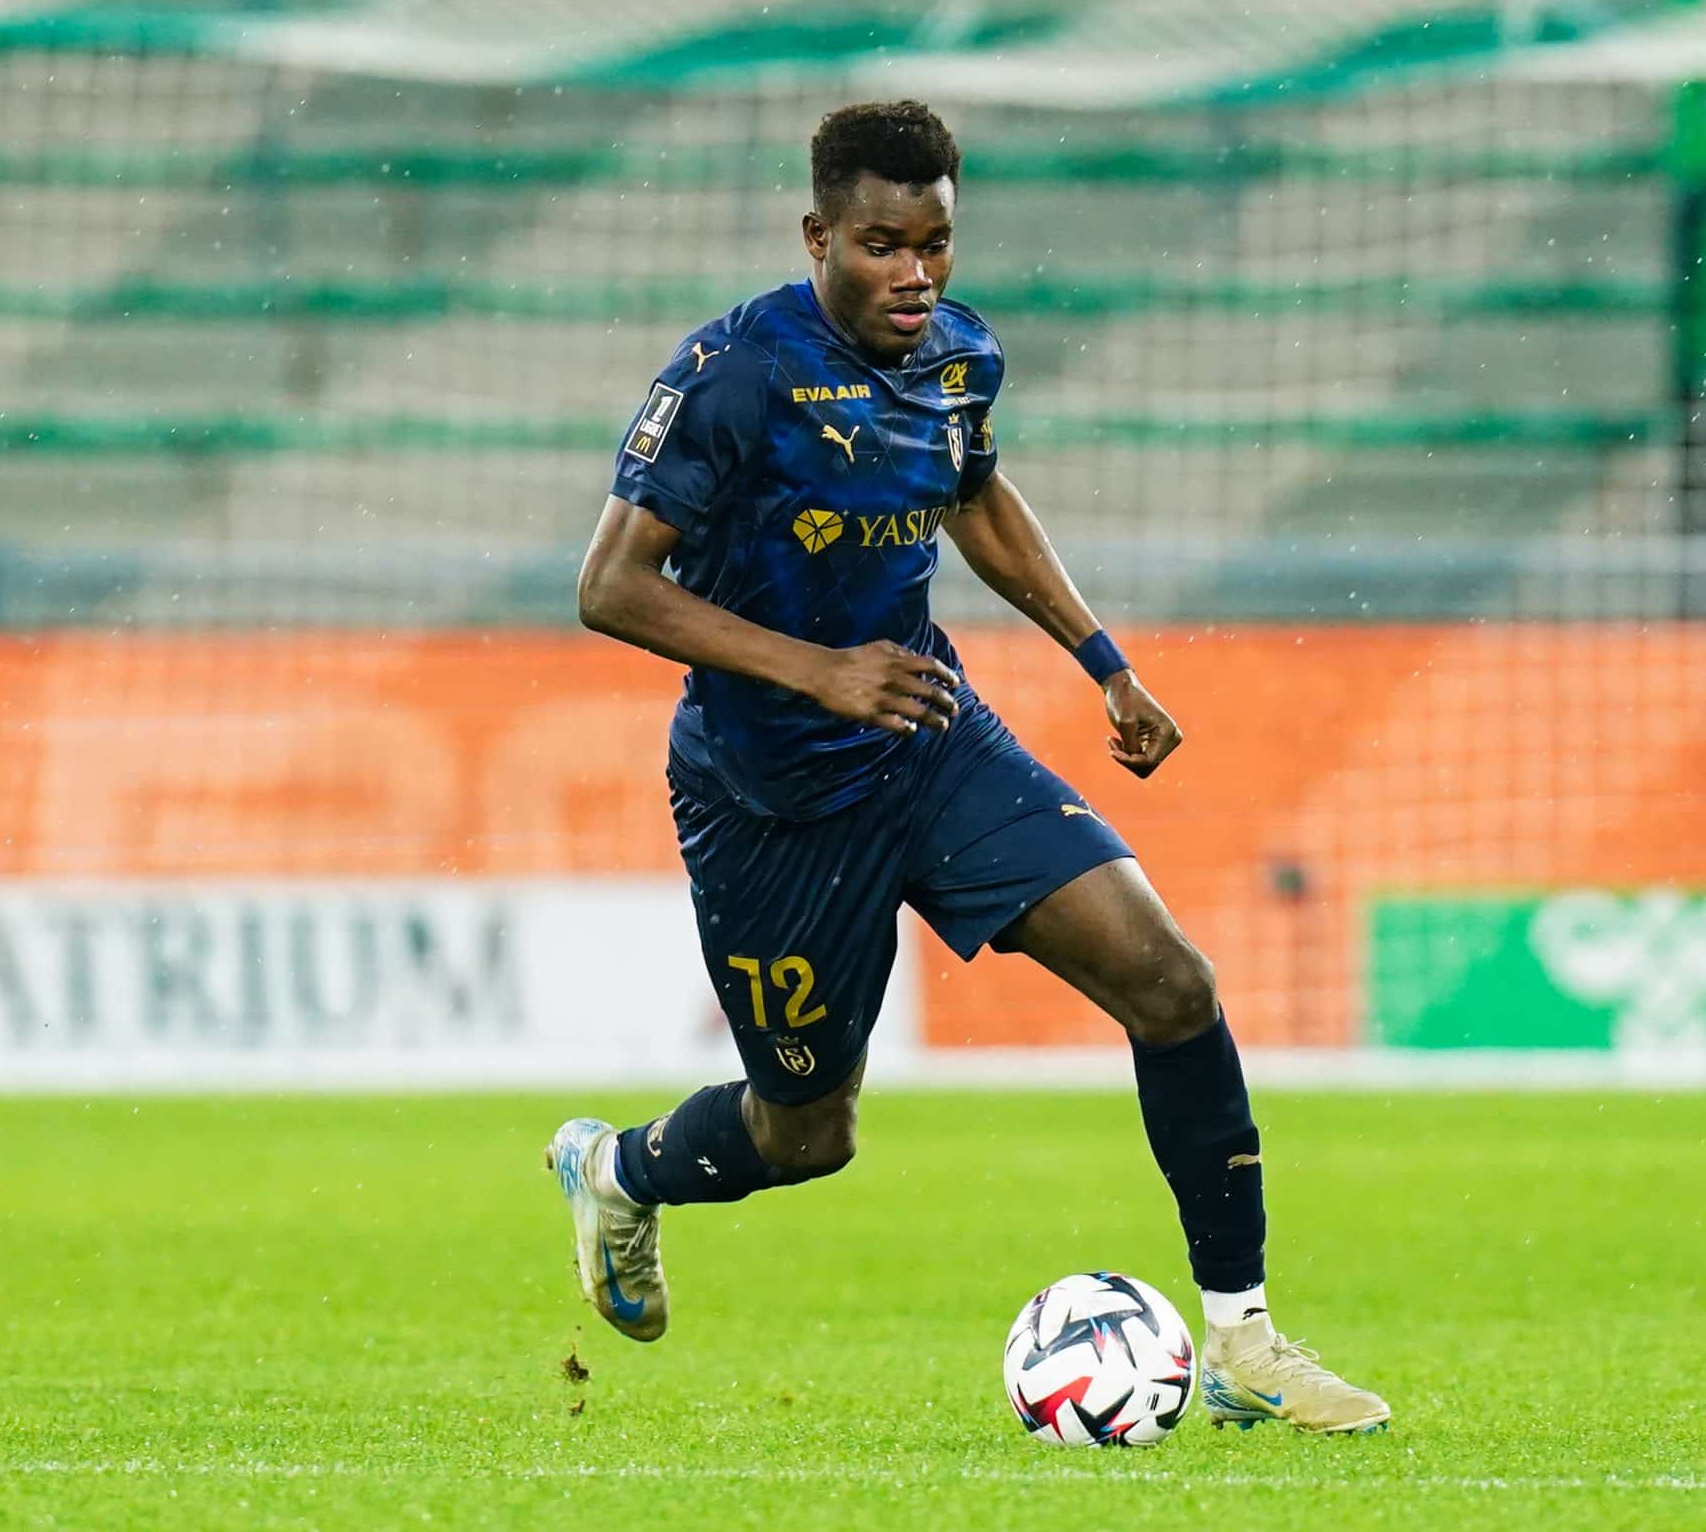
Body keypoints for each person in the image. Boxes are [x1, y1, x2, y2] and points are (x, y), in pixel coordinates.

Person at [547, 100, 1387, 1433]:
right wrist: (819, 671)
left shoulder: (958, 356)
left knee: (1170, 982)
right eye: (883, 245)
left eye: (935, 242)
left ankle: (1244, 1340)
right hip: (771, 801)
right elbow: (609, 587)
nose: (916, 274)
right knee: (805, 1135)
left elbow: (975, 494)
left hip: (930, 743)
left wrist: (1100, 657)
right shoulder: (732, 377)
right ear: (819, 234)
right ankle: (619, 1171)